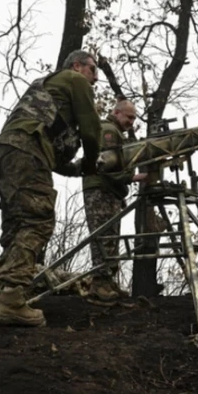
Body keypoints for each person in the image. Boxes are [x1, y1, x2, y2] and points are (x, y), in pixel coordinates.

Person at [0, 50, 102, 326]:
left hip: (6, 150)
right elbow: (91, 129)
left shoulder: (46, 88)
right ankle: (11, 299)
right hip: (28, 150)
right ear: (77, 66)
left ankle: (3, 294)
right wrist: (93, 162)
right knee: (38, 220)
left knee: (17, 221)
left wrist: (76, 168)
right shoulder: (75, 80)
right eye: (93, 70)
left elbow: (49, 145)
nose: (95, 78)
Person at [82, 99, 148, 302]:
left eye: (134, 118)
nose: (131, 122)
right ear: (117, 112)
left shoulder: (116, 132)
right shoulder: (108, 131)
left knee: (111, 235)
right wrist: (131, 178)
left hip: (109, 189)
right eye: (129, 117)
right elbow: (106, 164)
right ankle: (99, 282)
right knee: (103, 235)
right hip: (101, 188)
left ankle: (107, 280)